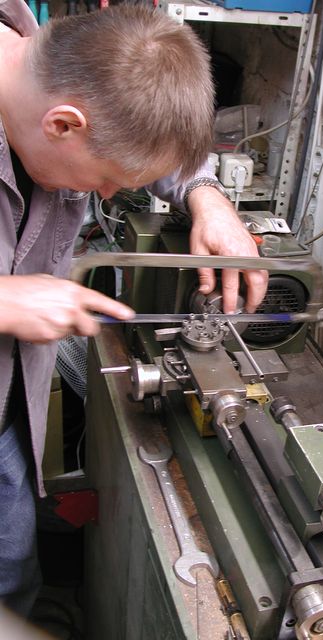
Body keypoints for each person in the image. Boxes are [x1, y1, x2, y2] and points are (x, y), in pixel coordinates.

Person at [0, 0, 268, 616]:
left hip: (11, 415)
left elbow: (143, 134)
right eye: (105, 181)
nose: (110, 195)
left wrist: (206, 194)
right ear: (63, 125)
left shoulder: (57, 66)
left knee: (11, 575)